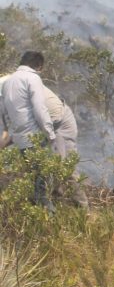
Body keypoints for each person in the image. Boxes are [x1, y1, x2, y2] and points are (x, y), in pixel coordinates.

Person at [0, 51, 57, 213]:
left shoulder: (8, 82)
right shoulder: (32, 78)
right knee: (43, 180)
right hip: (35, 137)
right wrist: (50, 133)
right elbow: (40, 108)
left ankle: (31, 217)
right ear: (39, 66)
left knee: (33, 176)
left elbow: (4, 112)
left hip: (20, 138)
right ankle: (47, 220)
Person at [44, 85, 89, 209]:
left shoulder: (10, 89)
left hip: (60, 124)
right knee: (47, 166)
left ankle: (83, 210)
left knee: (66, 168)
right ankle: (57, 204)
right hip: (47, 123)